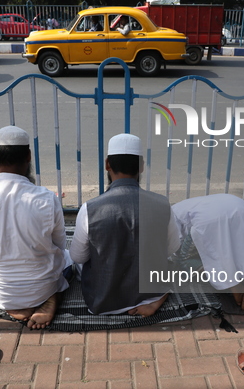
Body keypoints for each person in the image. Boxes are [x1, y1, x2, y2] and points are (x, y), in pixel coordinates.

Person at [0, 125, 70, 330]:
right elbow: (60, 244)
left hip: (2, 292)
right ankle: (51, 297)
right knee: (70, 258)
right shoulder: (47, 198)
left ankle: (15, 306)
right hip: (42, 287)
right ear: (29, 156)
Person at [69, 133, 181, 317]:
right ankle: (157, 298)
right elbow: (172, 249)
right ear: (142, 166)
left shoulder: (90, 208)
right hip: (151, 292)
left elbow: (78, 257)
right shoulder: (162, 204)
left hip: (103, 302)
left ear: (107, 165)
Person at [171, 194, 244, 310]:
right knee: (241, 245)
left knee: (183, 261)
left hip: (206, 220)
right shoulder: (177, 207)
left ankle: (232, 282)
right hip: (240, 207)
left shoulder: (166, 219)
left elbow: (173, 247)